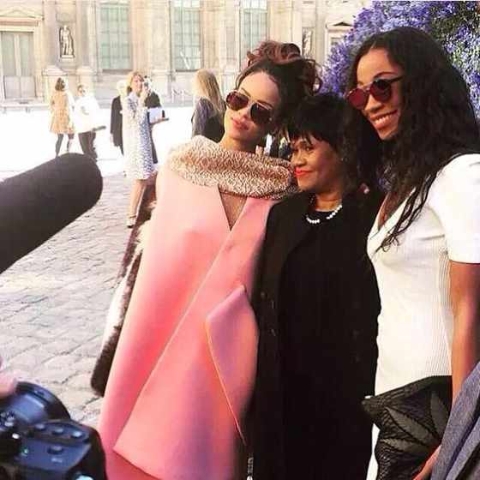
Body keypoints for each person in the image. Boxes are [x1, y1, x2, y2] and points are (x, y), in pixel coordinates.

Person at [97, 40, 319, 480]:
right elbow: (139, 267)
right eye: (239, 99)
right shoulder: (179, 168)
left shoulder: (282, 194)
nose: (243, 114)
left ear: (276, 125)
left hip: (220, 365)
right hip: (153, 339)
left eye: (261, 112)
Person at [342, 27, 480, 479]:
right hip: (397, 401)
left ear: (422, 82)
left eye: (382, 86)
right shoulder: (409, 182)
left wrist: (457, 435)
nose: (371, 103)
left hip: (440, 406)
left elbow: (470, 310)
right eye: (360, 94)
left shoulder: (464, 173)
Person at [252, 93, 381, 480]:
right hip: (283, 397)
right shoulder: (283, 215)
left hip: (347, 402)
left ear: (343, 148)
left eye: (308, 148)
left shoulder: (375, 217)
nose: (297, 160)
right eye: (293, 149)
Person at [122, 71, 155, 228]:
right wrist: (142, 101)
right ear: (130, 84)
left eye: (141, 81)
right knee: (140, 181)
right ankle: (131, 214)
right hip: (136, 146)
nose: (139, 83)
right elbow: (136, 122)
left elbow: (144, 123)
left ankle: (145, 212)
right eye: (136, 81)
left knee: (147, 179)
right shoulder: (128, 101)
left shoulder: (140, 99)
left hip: (144, 143)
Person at [191, 68, 225, 142]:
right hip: (217, 146)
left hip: (204, 147)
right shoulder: (223, 104)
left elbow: (198, 134)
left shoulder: (203, 104)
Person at [50, 77, 75, 157]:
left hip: (58, 117)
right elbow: (71, 106)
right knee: (71, 136)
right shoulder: (67, 94)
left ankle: (57, 154)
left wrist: (55, 111)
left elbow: (51, 105)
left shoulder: (54, 93)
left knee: (60, 137)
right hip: (67, 116)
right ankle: (67, 151)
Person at [74, 84, 100, 161]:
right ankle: (88, 163)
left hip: (91, 127)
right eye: (80, 91)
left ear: (86, 91)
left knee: (91, 147)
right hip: (81, 128)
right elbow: (75, 115)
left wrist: (96, 125)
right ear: (78, 92)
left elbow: (97, 112)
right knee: (84, 148)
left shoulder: (92, 101)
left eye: (84, 91)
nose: (82, 93)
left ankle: (94, 161)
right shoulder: (77, 102)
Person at [143, 76, 162, 164]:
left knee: (149, 138)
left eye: (147, 84)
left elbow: (159, 107)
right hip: (141, 119)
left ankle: (154, 160)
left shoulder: (154, 95)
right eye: (144, 84)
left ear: (151, 84)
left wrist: (151, 111)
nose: (146, 86)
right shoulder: (140, 94)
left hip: (150, 120)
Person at [110, 80, 126, 155]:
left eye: (123, 87)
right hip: (118, 128)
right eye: (120, 87)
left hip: (129, 127)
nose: (121, 89)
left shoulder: (130, 98)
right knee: (122, 148)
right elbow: (112, 116)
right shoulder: (115, 100)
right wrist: (111, 132)